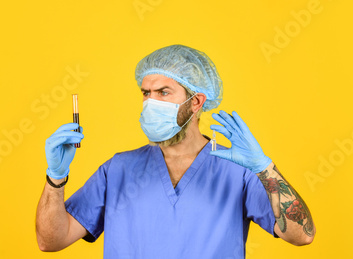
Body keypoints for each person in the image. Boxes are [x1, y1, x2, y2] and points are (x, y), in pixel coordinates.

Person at [35, 44, 315, 258]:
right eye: (146, 93)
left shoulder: (236, 171)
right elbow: (51, 241)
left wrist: (265, 169)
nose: (150, 102)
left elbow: (302, 235)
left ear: (196, 102)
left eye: (163, 92)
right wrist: (55, 179)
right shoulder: (118, 169)